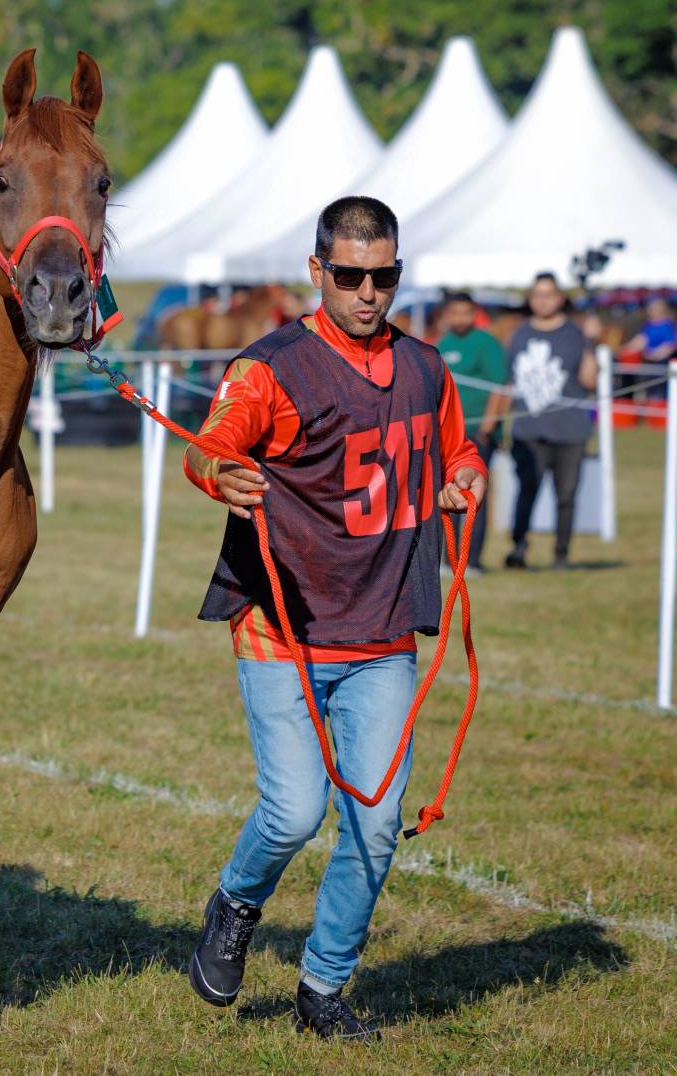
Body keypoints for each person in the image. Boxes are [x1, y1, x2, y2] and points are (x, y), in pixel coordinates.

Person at [182, 196, 487, 1043]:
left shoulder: (427, 368)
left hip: (381, 630)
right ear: (316, 272)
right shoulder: (271, 367)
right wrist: (220, 476)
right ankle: (236, 904)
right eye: (348, 275)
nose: (366, 292)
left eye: (382, 276)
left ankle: (322, 987)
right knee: (292, 813)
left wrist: (464, 475)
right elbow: (212, 443)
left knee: (376, 825)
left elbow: (454, 448)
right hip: (281, 630)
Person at [492, 272, 598, 571]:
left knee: (566, 495)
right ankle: (519, 548)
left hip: (569, 430)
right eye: (537, 295)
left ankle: (561, 555)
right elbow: (507, 382)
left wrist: (593, 343)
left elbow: (589, 380)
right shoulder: (520, 333)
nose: (543, 301)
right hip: (529, 430)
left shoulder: (576, 334)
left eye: (548, 295)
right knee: (526, 491)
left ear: (560, 298)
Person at [435, 290, 506, 572]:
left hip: (477, 433)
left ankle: (472, 561)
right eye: (455, 312)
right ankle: (447, 559)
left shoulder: (486, 343)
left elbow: (499, 385)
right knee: (448, 493)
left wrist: (489, 425)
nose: (460, 318)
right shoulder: (442, 344)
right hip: (448, 433)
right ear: (446, 315)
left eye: (466, 312)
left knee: (474, 495)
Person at [622, 296, 676, 363]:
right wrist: (626, 349)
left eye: (654, 309)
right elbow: (642, 339)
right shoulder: (649, 325)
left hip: (661, 361)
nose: (650, 311)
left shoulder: (668, 325)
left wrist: (655, 355)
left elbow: (669, 345)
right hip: (647, 359)